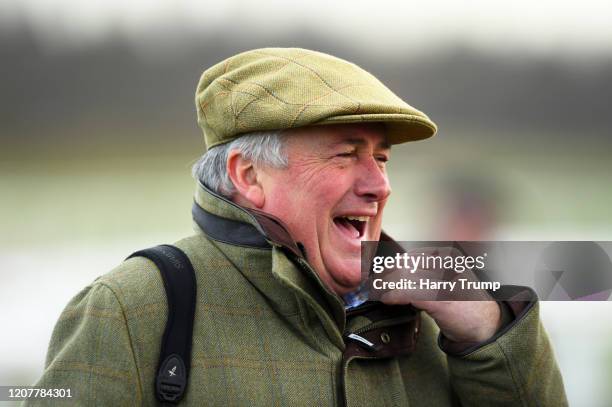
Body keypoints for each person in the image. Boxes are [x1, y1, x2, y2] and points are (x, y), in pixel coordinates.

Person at [29, 48, 567, 406]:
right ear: (250, 175)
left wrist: (487, 335)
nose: (378, 185)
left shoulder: (433, 313)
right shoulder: (131, 307)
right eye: (344, 155)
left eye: (381, 159)